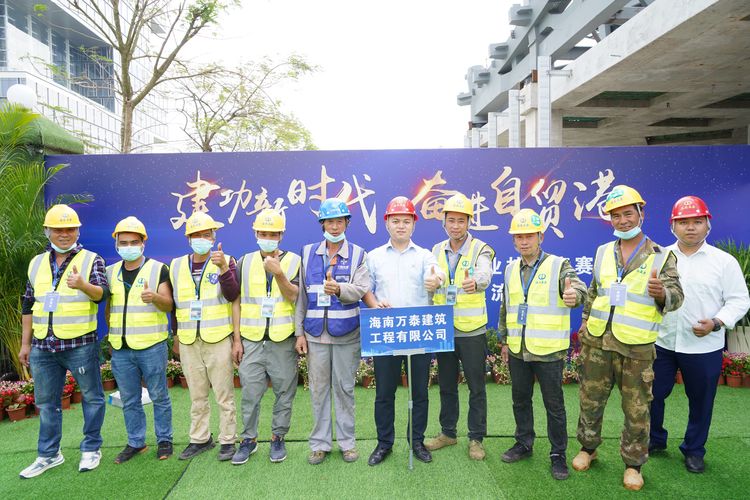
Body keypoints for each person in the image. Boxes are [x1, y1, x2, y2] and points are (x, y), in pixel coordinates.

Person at [572, 185, 684, 491]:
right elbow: (594, 291)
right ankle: (588, 448)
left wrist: (662, 293)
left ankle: (633, 464)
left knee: (636, 408)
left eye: (627, 214)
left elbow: (677, 296)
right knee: (590, 399)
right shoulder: (602, 252)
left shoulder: (661, 256)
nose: (622, 221)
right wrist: (585, 323)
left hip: (636, 347)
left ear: (641, 213)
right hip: (597, 341)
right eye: (616, 216)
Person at [650, 196, 750, 473]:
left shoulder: (724, 262)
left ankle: (694, 450)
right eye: (683, 222)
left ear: (708, 224)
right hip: (662, 342)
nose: (690, 227)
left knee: (701, 401)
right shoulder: (659, 257)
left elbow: (739, 300)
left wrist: (717, 322)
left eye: (697, 221)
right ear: (672, 226)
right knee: (652, 394)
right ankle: (654, 439)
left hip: (704, 345)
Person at [497, 209, 587, 480]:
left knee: (554, 406)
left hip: (548, 351)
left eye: (529, 236)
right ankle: (524, 443)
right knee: (520, 400)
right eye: (519, 236)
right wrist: (504, 340)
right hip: (518, 349)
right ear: (514, 240)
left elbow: (578, 288)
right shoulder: (510, 269)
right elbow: (506, 306)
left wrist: (574, 295)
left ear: (541, 237)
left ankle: (558, 454)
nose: (524, 241)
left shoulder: (559, 265)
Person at [18, 204, 108, 478]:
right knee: (46, 402)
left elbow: (102, 294)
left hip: (80, 344)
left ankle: (91, 448)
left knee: (92, 397)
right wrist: (25, 344)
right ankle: (49, 454)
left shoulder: (92, 259)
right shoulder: (36, 263)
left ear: (78, 231)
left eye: (70, 229)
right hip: (43, 346)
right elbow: (28, 304)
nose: (64, 234)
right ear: (47, 231)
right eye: (58, 229)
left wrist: (83, 285)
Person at [365, 196, 445, 466]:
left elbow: (437, 275)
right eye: (396, 220)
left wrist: (436, 280)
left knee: (419, 392)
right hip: (387, 332)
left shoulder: (424, 255)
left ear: (414, 225)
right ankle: (384, 443)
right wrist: (374, 304)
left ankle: (417, 441)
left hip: (418, 332)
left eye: (406, 221)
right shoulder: (374, 256)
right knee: (384, 393)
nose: (401, 225)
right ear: (387, 223)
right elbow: (365, 288)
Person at [295, 198, 371, 465]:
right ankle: (320, 444)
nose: (335, 226)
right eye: (330, 222)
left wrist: (339, 289)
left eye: (339, 221)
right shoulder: (307, 253)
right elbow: (301, 297)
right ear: (322, 224)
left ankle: (347, 443)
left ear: (347, 223)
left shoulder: (359, 254)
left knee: (345, 389)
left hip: (347, 335)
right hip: (315, 335)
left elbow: (361, 289)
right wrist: (299, 333)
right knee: (318, 391)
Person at [425, 193, 495, 461]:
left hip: (471, 330)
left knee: (476, 386)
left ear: (469, 222)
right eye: (451, 220)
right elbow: (430, 280)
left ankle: (476, 438)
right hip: (444, 329)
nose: (455, 226)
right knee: (446, 384)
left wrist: (476, 282)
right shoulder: (435, 250)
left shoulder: (481, 249)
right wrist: (430, 284)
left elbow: (485, 273)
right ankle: (448, 433)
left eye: (461, 221)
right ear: (444, 222)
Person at [170, 212, 242, 462]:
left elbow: (233, 295)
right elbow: (175, 305)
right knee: (197, 395)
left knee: (224, 394)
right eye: (196, 235)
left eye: (206, 234)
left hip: (218, 337)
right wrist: (176, 335)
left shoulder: (227, 260)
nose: (201, 239)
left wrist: (223, 268)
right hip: (189, 339)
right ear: (188, 238)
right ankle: (200, 438)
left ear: (213, 236)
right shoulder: (176, 265)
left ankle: (228, 440)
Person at [232, 209, 302, 465]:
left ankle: (277, 437)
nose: (268, 238)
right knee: (250, 393)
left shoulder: (294, 261)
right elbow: (236, 301)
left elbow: (295, 296)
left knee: (285, 392)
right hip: (251, 339)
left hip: (282, 339)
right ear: (255, 233)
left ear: (281, 235)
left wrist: (279, 273)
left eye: (273, 234)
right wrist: (236, 340)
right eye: (263, 233)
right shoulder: (244, 261)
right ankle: (248, 440)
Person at [106, 217, 174, 464]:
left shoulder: (158, 269)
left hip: (151, 345)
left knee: (159, 395)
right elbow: (109, 309)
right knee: (129, 399)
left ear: (143, 243)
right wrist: (112, 336)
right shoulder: (110, 272)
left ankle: (164, 439)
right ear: (116, 244)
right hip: (121, 348)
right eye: (124, 242)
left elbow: (169, 305)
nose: (129, 246)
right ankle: (136, 442)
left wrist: (154, 297)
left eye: (134, 242)